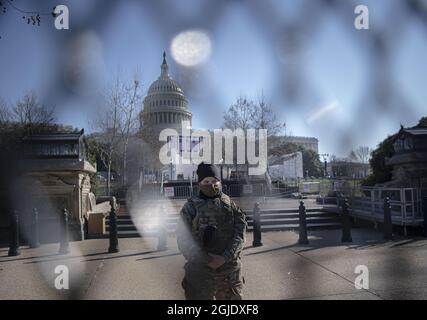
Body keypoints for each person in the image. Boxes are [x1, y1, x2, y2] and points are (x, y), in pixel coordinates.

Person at [176, 162, 247, 300]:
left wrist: (225, 257)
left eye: (215, 181)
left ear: (220, 182)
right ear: (200, 183)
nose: (211, 185)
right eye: (206, 181)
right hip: (200, 272)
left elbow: (240, 234)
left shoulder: (231, 205)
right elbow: (183, 239)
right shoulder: (190, 207)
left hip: (228, 272)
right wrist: (207, 259)